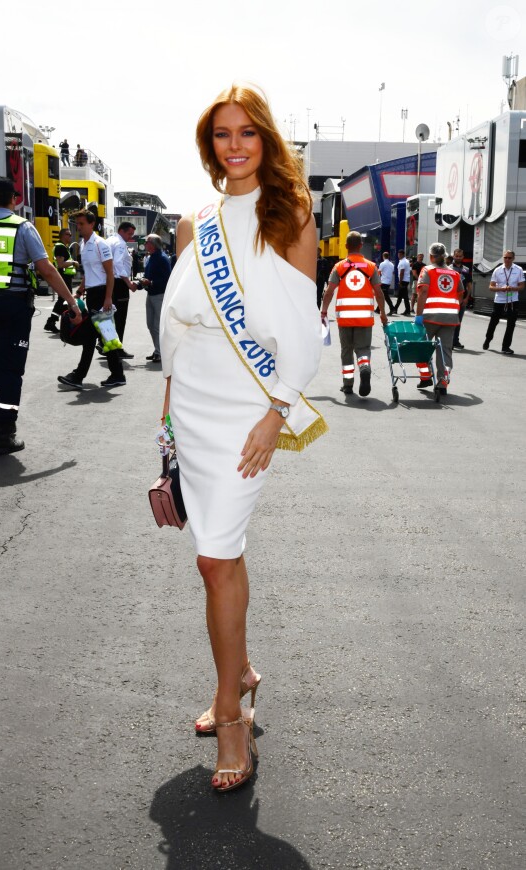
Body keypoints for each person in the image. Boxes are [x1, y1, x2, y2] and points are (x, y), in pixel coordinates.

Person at [160, 84, 325, 793]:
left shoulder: (289, 216)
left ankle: (232, 714)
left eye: (247, 133)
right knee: (217, 558)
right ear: (210, 145)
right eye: (222, 134)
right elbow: (178, 323)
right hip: (192, 402)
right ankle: (243, 672)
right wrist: (166, 419)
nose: (234, 145)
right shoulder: (193, 221)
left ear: (266, 140)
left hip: (247, 407)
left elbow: (305, 331)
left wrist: (276, 413)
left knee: (214, 556)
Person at [0, 176, 81, 454]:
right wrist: (71, 301)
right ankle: (3, 433)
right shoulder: (22, 227)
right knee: (11, 367)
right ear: (14, 199)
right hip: (14, 306)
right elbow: (46, 269)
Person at [57, 209, 125, 389]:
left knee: (95, 337)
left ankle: (79, 376)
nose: (78, 227)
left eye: (81, 224)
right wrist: (79, 291)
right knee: (106, 337)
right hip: (92, 295)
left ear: (92, 224)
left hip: (102, 294)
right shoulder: (83, 244)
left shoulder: (100, 244)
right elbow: (89, 273)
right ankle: (117, 374)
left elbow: (110, 273)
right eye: (77, 224)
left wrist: (108, 298)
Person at [320, 231, 388, 396]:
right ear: (361, 246)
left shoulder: (339, 267)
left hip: (344, 319)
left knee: (346, 350)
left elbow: (329, 292)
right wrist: (383, 313)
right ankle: (364, 366)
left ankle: (348, 384)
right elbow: (379, 293)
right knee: (363, 349)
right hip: (364, 318)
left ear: (345, 246)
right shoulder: (371, 266)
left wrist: (323, 311)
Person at [414, 241, 463, 395]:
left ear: (431, 256)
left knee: (420, 347)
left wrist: (418, 315)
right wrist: (451, 308)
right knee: (445, 351)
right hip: (450, 319)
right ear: (444, 256)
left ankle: (425, 376)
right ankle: (442, 383)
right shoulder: (455, 274)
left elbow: (422, 293)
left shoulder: (427, 270)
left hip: (430, 318)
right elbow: (460, 294)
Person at [105, 221, 138, 359]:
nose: (130, 237)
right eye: (129, 233)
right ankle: (117, 349)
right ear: (122, 231)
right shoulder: (120, 243)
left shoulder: (109, 240)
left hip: (108, 281)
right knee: (120, 317)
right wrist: (128, 283)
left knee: (109, 317)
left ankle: (108, 346)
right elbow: (118, 263)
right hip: (119, 283)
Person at [483, 250, 524, 355]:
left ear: (513, 259)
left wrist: (512, 288)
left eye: (509, 258)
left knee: (511, 324)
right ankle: (488, 339)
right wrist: (501, 289)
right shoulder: (497, 270)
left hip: (513, 300)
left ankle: (506, 346)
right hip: (499, 300)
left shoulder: (518, 270)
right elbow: (491, 287)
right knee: (494, 322)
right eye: (505, 257)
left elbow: (522, 286)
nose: (507, 260)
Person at [140, 233, 171, 363]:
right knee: (150, 324)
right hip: (151, 294)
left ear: (152, 244)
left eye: (147, 242)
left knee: (157, 325)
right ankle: (157, 350)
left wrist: (151, 282)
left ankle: (160, 352)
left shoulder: (162, 258)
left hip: (159, 295)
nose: (145, 244)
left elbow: (167, 279)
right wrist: (141, 283)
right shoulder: (152, 257)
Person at [43, 228, 78, 333]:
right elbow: (60, 264)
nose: (70, 236)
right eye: (68, 234)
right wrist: (73, 262)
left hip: (65, 277)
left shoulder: (64, 247)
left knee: (64, 299)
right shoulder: (60, 247)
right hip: (63, 277)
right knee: (65, 299)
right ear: (63, 235)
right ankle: (55, 321)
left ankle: (53, 321)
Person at [450, 248, 472, 350]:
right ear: (453, 256)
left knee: (458, 321)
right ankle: (449, 341)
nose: (458, 257)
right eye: (456, 256)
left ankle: (455, 341)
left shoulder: (466, 270)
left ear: (463, 257)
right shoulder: (448, 269)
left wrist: (467, 298)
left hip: (462, 300)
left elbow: (469, 285)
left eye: (460, 256)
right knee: (450, 321)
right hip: (451, 299)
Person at [394, 249, 412, 315]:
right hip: (406, 280)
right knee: (401, 296)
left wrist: (400, 282)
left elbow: (402, 272)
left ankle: (407, 311)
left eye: (399, 254)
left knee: (404, 296)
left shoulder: (403, 262)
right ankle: (396, 309)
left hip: (403, 280)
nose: (398, 255)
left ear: (401, 254)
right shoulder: (406, 261)